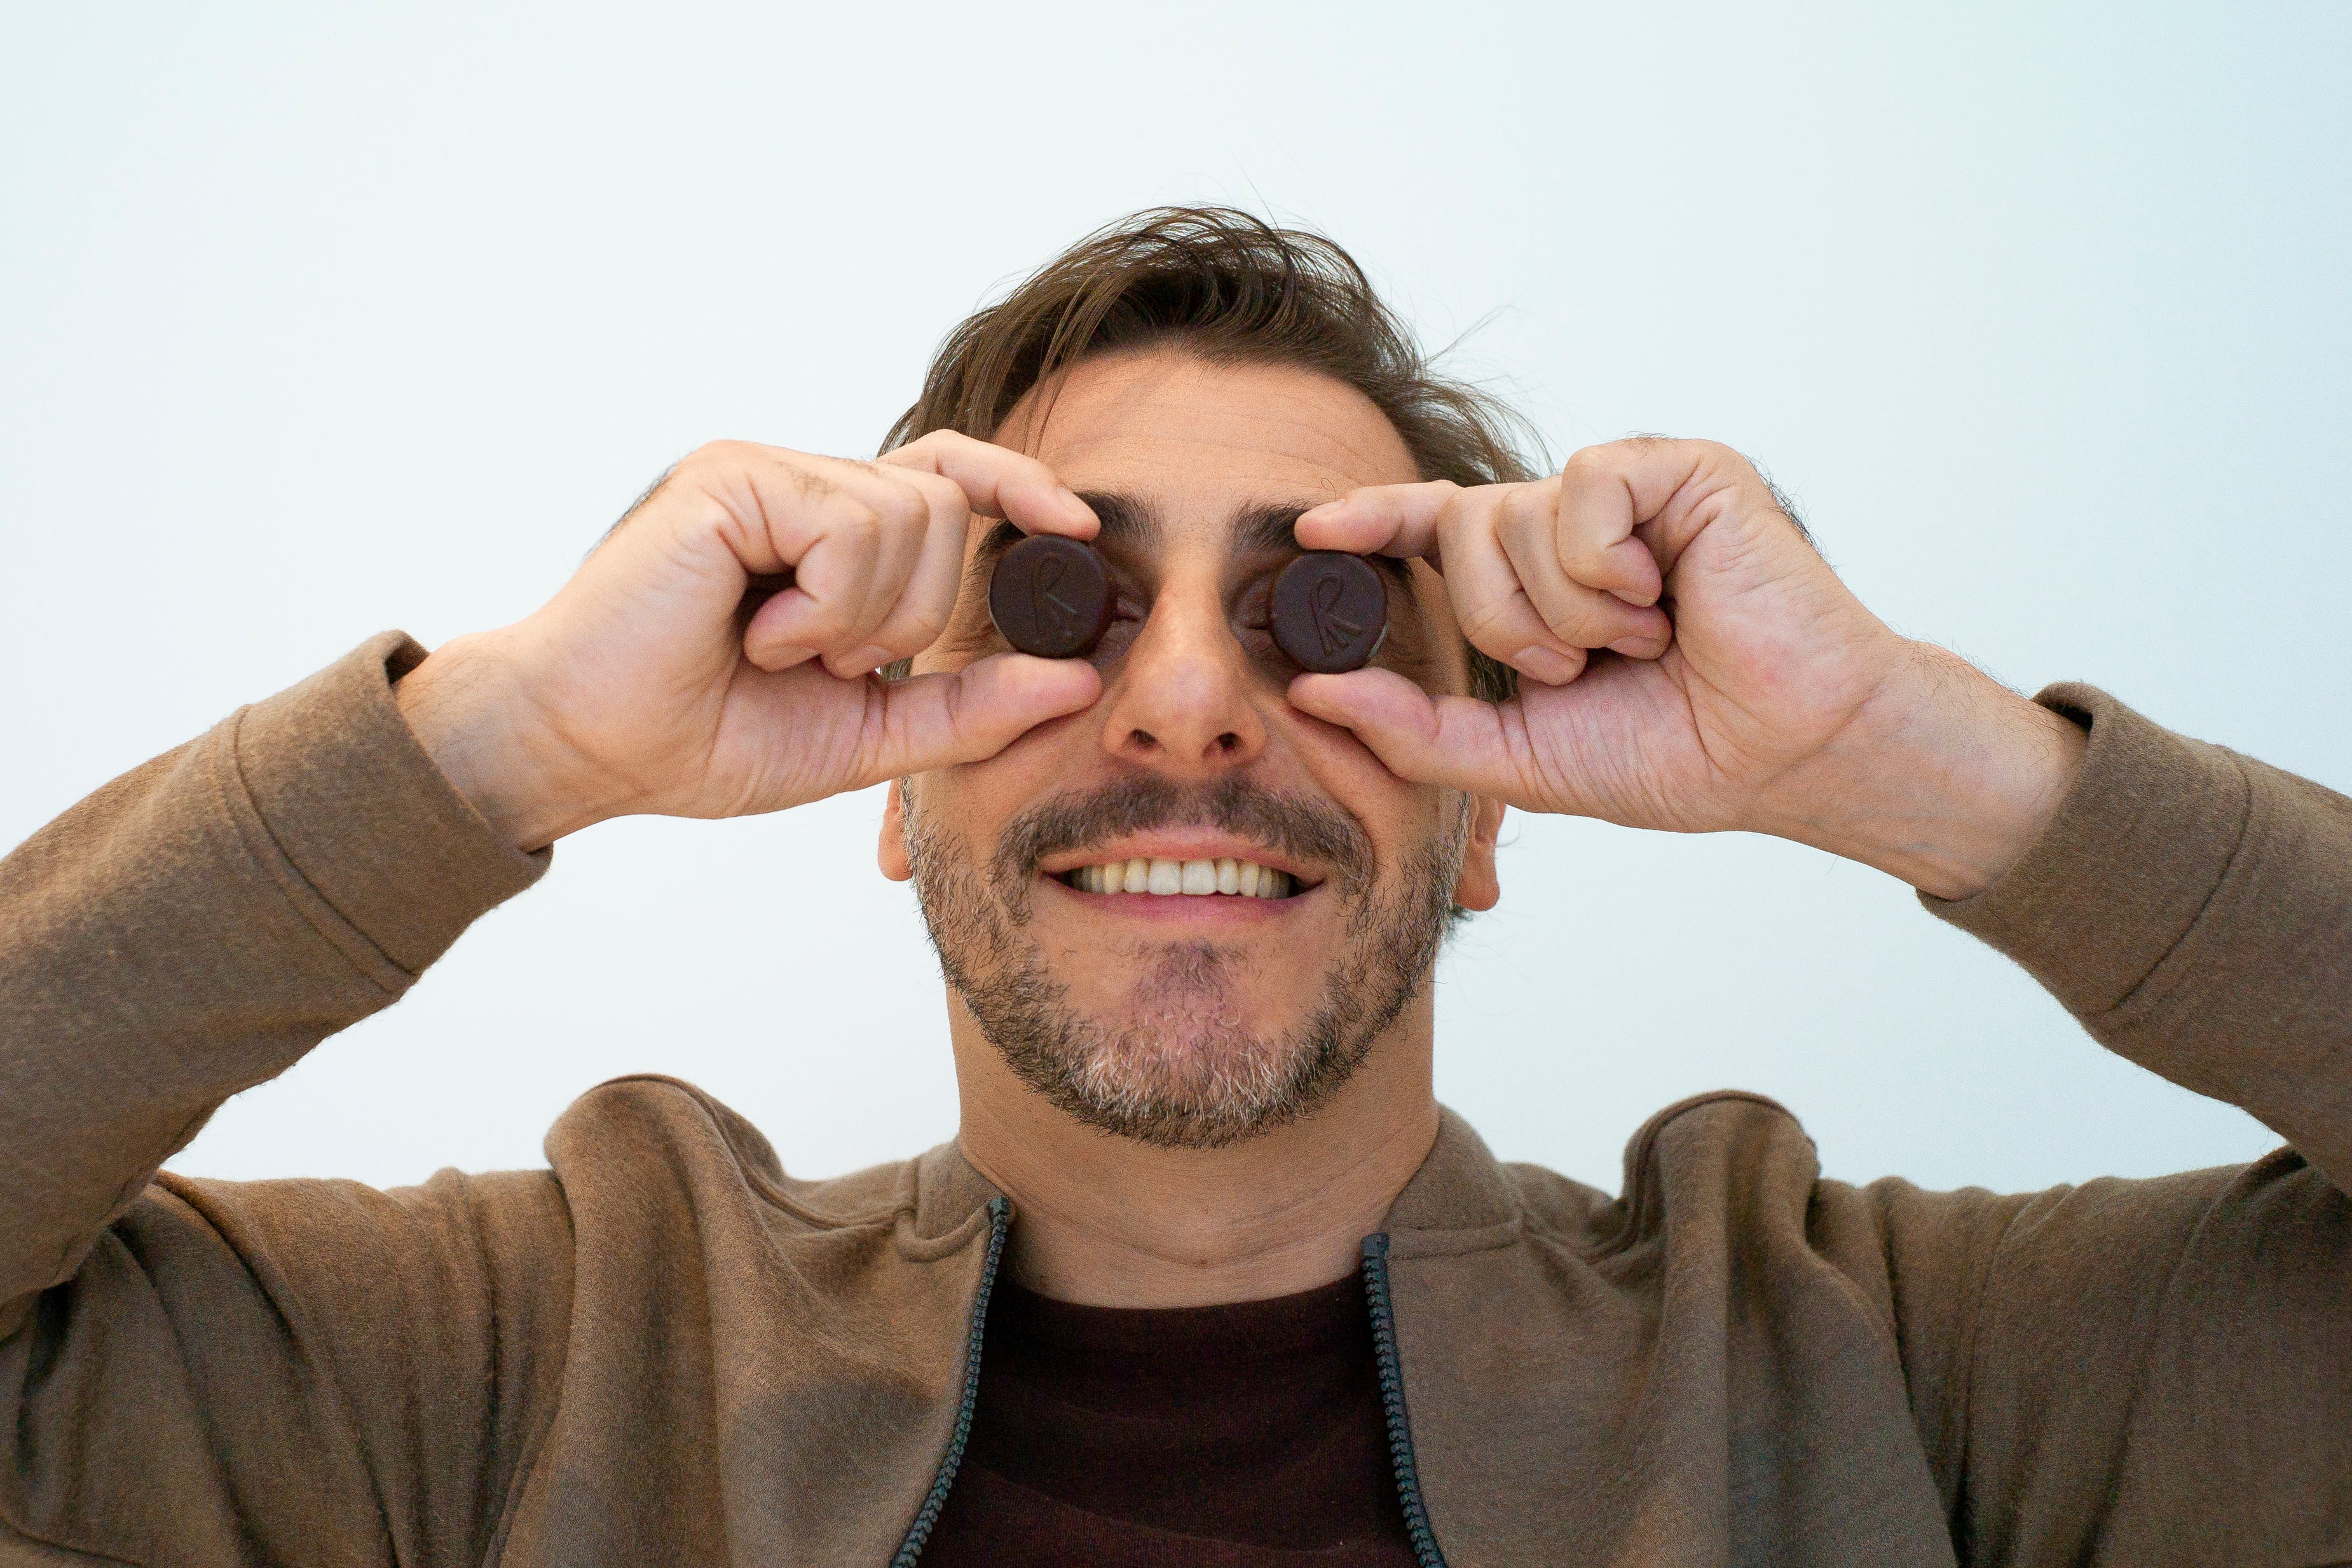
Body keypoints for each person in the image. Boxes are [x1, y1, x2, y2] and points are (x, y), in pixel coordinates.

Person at [1, 207, 2344, 1567]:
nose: (1194, 709)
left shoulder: (1891, 1379)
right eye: (1062, 607)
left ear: (1494, 807)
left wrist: (1901, 755)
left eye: (1320, 617)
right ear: (887, 787)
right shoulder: (521, 1368)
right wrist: (500, 735)